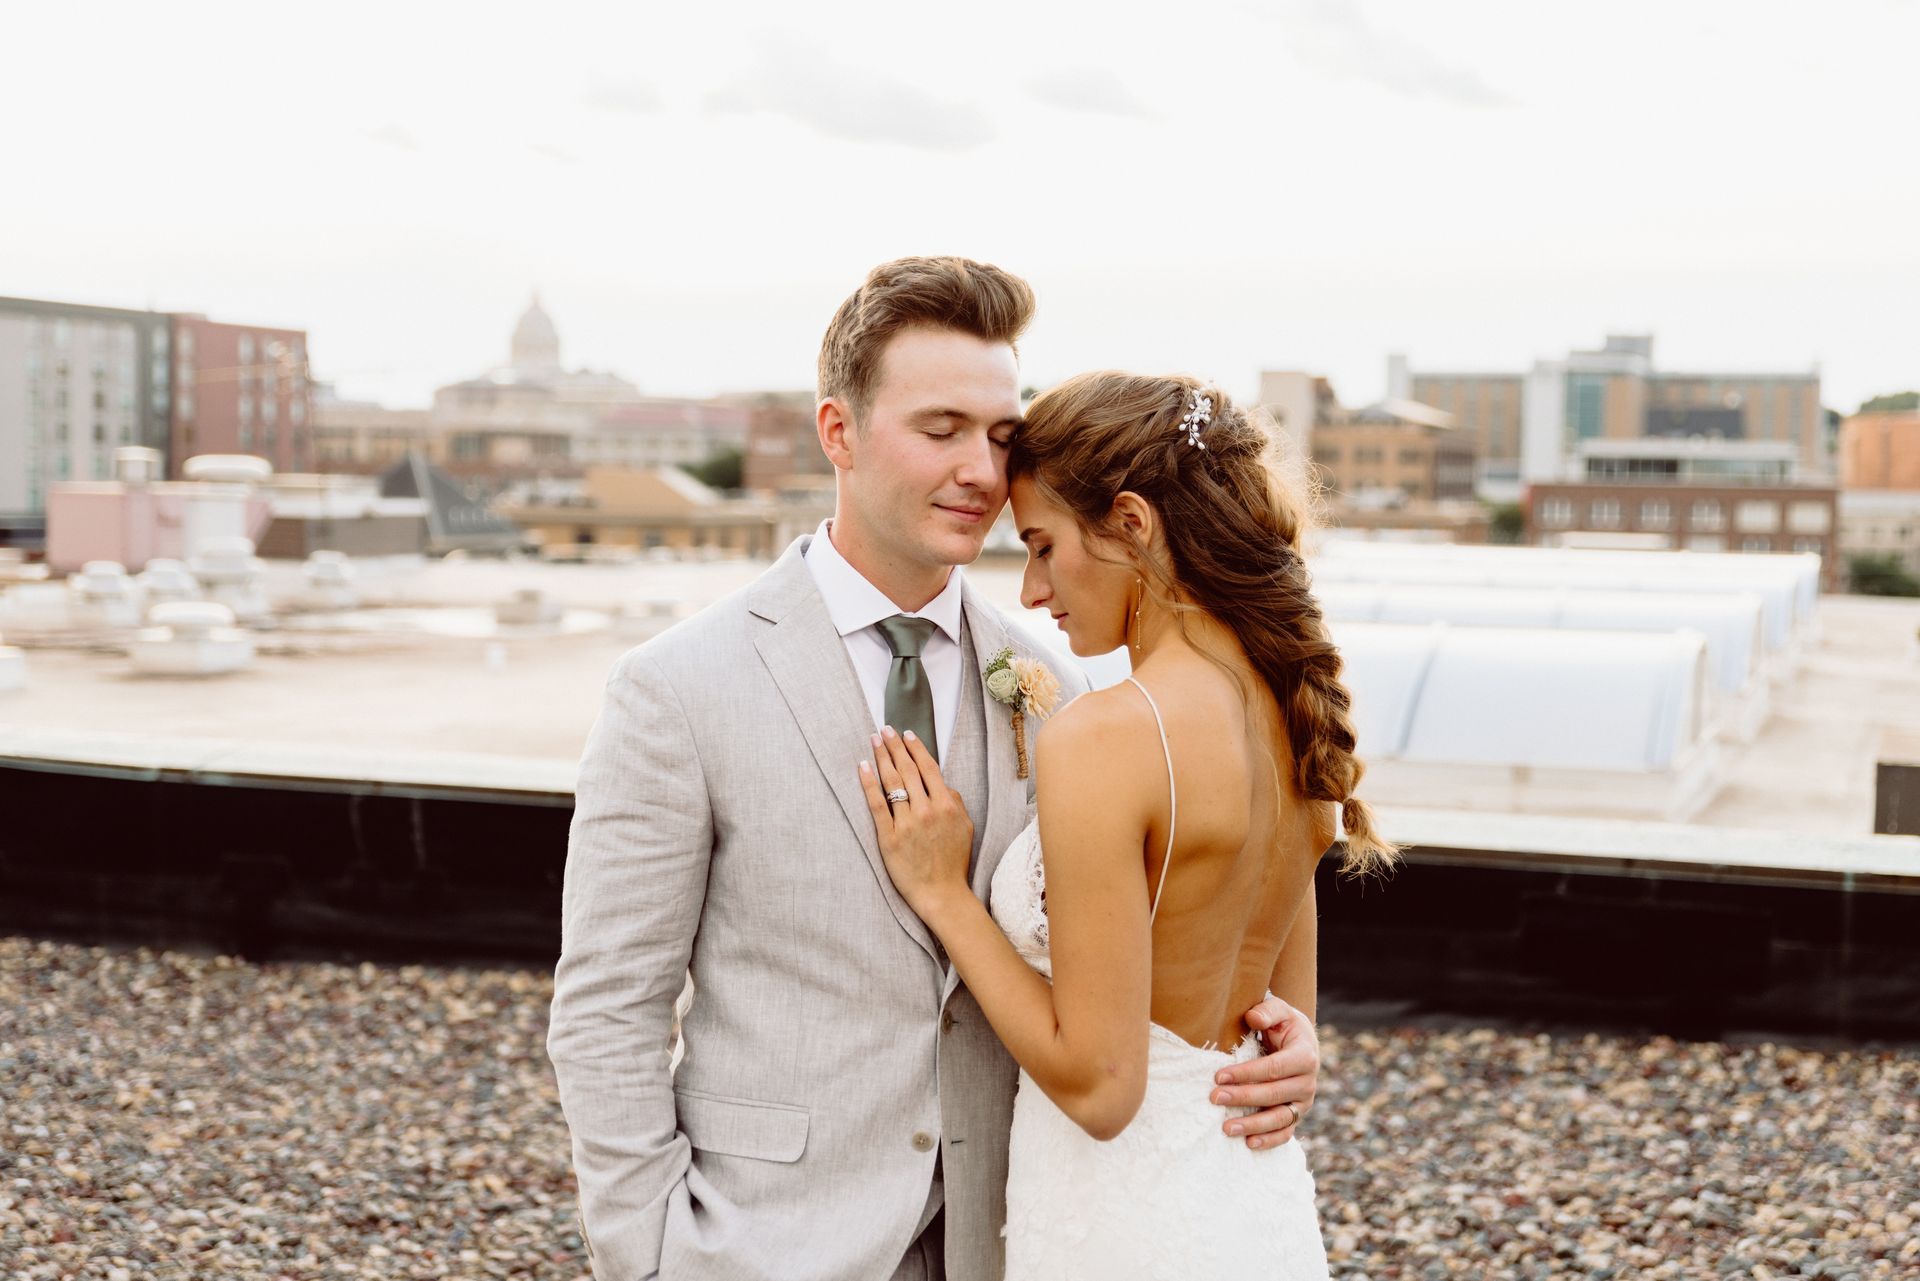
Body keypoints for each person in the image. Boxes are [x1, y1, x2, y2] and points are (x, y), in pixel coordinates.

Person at [547, 259, 1325, 1281]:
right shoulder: (679, 688)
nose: (980, 471)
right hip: (762, 1243)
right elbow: (609, 1003)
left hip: (1012, 1236)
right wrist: (646, 1251)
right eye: (940, 429)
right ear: (838, 433)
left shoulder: (1058, 684)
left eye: (1001, 437)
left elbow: (1159, 937)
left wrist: (1283, 1038)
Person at [862, 371, 1398, 1278]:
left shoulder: (1110, 734)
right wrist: (1301, 1051)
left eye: (1042, 545)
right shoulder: (1294, 715)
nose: (1031, 591)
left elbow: (1105, 1088)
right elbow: (1281, 1018)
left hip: (1122, 1223)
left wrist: (944, 895)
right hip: (1251, 1204)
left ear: (1132, 524)